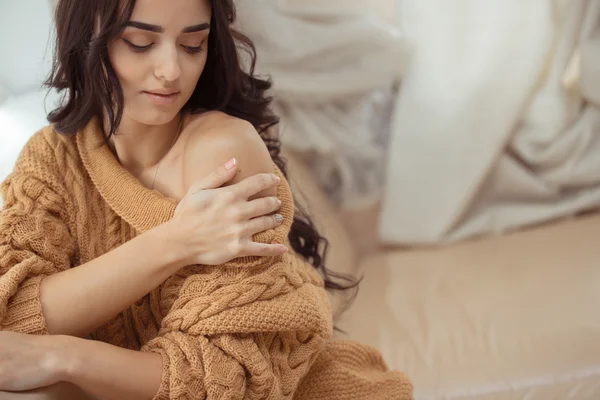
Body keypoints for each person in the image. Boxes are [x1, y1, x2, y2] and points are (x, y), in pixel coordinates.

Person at [0, 0, 413, 399]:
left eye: (192, 44)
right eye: (140, 44)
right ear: (86, 38)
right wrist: (176, 241)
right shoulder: (53, 158)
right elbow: (11, 314)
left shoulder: (222, 153)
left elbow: (228, 378)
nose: (171, 71)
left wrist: (64, 356)